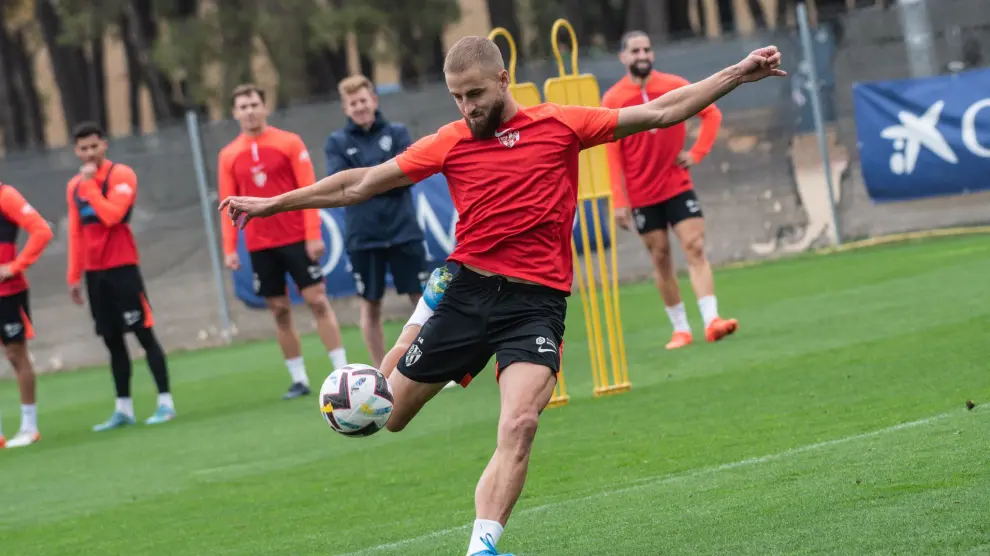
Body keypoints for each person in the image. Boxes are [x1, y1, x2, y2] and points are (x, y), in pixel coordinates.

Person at [221, 37, 785, 556]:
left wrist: (738, 71)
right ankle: (413, 347)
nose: (466, 107)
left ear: (503, 79)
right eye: (456, 97)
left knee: (520, 423)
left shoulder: (562, 124)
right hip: (466, 293)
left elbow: (662, 110)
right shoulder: (451, 141)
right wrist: (272, 204)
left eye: (474, 94)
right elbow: (359, 182)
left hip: (535, 306)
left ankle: (482, 547)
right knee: (388, 415)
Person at [603, 30, 738, 350]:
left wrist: (697, 153)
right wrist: (619, 200)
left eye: (647, 49)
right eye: (635, 50)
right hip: (641, 195)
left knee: (695, 246)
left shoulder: (674, 85)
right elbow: (611, 153)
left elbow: (711, 113)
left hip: (677, 185)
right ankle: (681, 329)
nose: (642, 55)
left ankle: (711, 320)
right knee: (660, 258)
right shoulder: (613, 99)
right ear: (623, 57)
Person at [218, 83, 349, 400]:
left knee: (317, 300)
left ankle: (341, 371)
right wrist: (229, 248)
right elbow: (228, 203)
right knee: (278, 309)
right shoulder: (229, 154)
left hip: (295, 238)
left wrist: (312, 235)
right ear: (235, 113)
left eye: (254, 104)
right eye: (243, 106)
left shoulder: (288, 142)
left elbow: (309, 188)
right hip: (261, 244)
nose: (249, 111)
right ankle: (299, 379)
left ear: (264, 108)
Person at [66, 122, 175, 431]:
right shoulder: (74, 186)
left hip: (123, 269)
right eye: (83, 148)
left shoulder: (121, 176)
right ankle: (123, 409)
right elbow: (76, 232)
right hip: (95, 274)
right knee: (112, 340)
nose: (89, 153)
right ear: (76, 151)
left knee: (143, 334)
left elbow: (112, 215)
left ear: (104, 145)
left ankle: (165, 402)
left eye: (93, 146)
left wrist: (89, 187)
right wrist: (74, 275)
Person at [325, 74, 427, 368]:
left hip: (403, 231)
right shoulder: (337, 142)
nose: (359, 107)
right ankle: (380, 372)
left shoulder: (397, 133)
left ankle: (428, 366)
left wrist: (365, 181)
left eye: (363, 100)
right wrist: (385, 175)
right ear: (346, 108)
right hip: (364, 236)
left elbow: (408, 175)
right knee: (370, 305)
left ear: (374, 101)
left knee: (422, 301)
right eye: (352, 103)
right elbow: (343, 186)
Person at [0, 183, 53, 448]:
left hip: (8, 292)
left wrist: (16, 266)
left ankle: (29, 427)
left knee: (15, 354)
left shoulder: (5, 195)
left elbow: (41, 230)